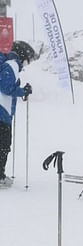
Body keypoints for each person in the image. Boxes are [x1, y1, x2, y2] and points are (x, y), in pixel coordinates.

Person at [0, 41, 35, 189]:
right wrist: (23, 91)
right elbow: (5, 87)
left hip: (3, 112)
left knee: (3, 145)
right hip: (2, 112)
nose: (27, 64)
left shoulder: (10, 64)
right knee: (3, 145)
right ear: (23, 55)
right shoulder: (13, 65)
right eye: (29, 60)